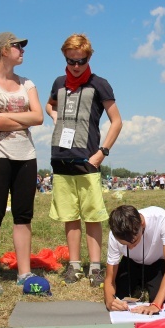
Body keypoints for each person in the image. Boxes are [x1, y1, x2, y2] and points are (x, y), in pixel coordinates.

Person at [46, 33, 122, 287]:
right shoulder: (58, 82)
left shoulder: (99, 84)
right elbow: (50, 105)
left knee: (92, 216)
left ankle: (96, 268)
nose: (76, 66)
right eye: (71, 61)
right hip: (60, 159)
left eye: (81, 61)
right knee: (70, 216)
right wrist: (57, 119)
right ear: (64, 58)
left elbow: (117, 121)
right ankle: (75, 266)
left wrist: (103, 152)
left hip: (88, 160)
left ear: (89, 57)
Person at [0, 32, 43, 296]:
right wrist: (20, 119)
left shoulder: (28, 83)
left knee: (23, 215)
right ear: (4, 50)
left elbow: (38, 118)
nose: (23, 50)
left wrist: (4, 116)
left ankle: (24, 272)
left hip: (25, 154)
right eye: (18, 46)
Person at [104, 205, 165, 314]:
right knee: (118, 297)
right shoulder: (115, 234)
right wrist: (110, 301)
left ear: (142, 224)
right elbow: (110, 278)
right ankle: (140, 282)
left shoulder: (161, 217)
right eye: (124, 245)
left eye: (133, 242)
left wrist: (156, 305)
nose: (130, 247)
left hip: (158, 262)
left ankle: (147, 283)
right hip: (131, 262)